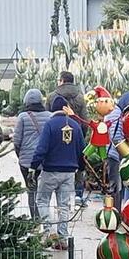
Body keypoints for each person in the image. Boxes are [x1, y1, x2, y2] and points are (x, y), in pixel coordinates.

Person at [31, 95, 85, 249]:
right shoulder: (75, 125)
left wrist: (33, 166)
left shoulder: (50, 125)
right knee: (63, 205)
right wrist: (80, 169)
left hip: (50, 171)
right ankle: (63, 237)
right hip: (69, 172)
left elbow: (41, 149)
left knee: (42, 201)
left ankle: (48, 232)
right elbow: (82, 150)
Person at [46, 71, 89, 205]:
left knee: (57, 162)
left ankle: (56, 195)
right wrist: (80, 135)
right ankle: (78, 194)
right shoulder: (80, 97)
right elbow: (85, 120)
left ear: (62, 81)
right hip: (75, 133)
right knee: (78, 164)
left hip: (55, 134)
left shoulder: (52, 96)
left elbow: (47, 117)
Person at [13, 89, 51, 220]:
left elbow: (16, 141)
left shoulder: (22, 117)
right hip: (45, 161)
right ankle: (45, 216)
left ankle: (35, 219)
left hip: (26, 162)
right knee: (44, 192)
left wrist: (21, 156)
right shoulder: (50, 116)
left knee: (31, 191)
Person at [104, 92, 129, 210]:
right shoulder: (117, 115)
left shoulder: (113, 112)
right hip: (115, 155)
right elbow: (116, 138)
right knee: (116, 185)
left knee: (115, 184)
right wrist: (127, 153)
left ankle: (115, 211)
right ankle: (114, 212)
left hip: (111, 153)